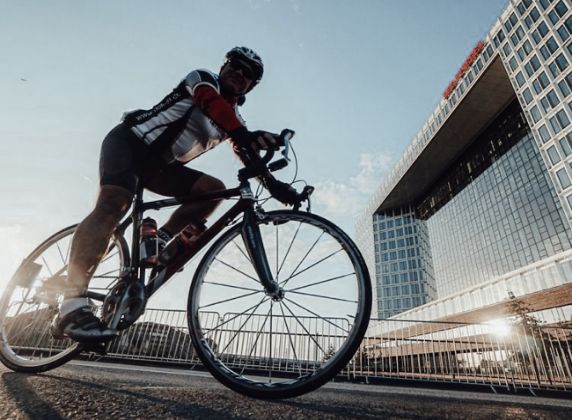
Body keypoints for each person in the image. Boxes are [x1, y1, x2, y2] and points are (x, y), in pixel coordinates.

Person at [51, 47, 287, 342]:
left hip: (159, 167)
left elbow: (244, 148)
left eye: (248, 73)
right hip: (130, 144)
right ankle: (71, 304)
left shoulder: (233, 119)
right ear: (224, 66)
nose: (240, 73)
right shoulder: (202, 79)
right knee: (113, 205)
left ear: (252, 85)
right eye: (235, 66)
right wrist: (245, 135)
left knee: (212, 191)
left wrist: (273, 183)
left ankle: (158, 241)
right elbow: (212, 105)